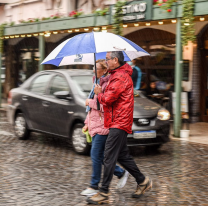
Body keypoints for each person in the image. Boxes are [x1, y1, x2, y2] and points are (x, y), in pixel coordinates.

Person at [87, 52, 152, 204]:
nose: (106, 62)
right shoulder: (115, 74)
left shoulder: (120, 77)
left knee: (108, 156)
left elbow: (108, 99)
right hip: (116, 120)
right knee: (122, 156)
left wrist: (99, 93)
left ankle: (103, 192)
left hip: (119, 121)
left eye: (108, 59)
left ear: (115, 60)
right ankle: (143, 181)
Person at [81, 59, 129, 196]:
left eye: (96, 68)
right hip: (95, 125)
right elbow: (93, 110)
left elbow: (106, 106)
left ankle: (94, 186)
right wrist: (87, 123)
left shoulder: (108, 85)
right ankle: (121, 172)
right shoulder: (96, 83)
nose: (93, 70)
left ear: (104, 70)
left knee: (95, 155)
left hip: (104, 125)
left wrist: (89, 101)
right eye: (93, 67)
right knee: (100, 156)